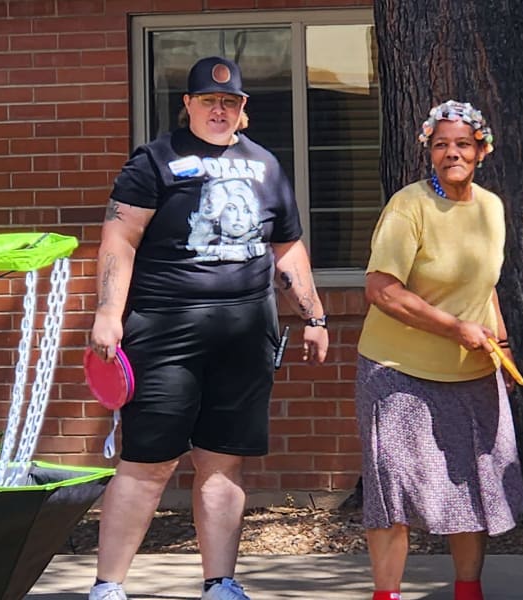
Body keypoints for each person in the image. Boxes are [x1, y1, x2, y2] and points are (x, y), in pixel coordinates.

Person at [87, 55, 329, 600]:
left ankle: (221, 582)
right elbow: (119, 240)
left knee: (223, 462)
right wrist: (107, 313)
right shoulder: (153, 161)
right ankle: (108, 586)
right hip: (164, 332)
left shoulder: (266, 165)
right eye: (208, 101)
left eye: (230, 102)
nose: (218, 110)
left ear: (242, 111)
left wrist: (313, 315)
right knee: (148, 462)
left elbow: (286, 247)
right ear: (188, 106)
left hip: (245, 336)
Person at [354, 100, 523, 600]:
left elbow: (485, 286)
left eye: (462, 144)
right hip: (397, 373)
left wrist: (499, 342)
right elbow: (381, 289)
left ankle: (468, 592)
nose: (451, 153)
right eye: (440, 145)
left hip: (471, 373)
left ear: (482, 150)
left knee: (472, 488)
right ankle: (386, 595)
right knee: (393, 492)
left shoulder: (492, 208)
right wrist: (456, 329)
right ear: (428, 151)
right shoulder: (408, 205)